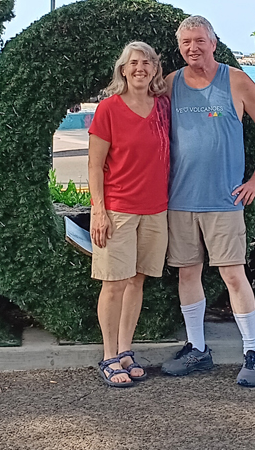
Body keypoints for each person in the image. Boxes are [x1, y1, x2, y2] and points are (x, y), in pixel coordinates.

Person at [161, 15, 255, 387]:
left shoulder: (236, 81)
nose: (193, 47)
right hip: (180, 201)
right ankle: (197, 348)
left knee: (232, 275)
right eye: (186, 42)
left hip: (223, 201)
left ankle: (253, 352)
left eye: (199, 40)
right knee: (187, 273)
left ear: (213, 43)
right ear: (179, 47)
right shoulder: (171, 84)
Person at [87, 41, 171, 388]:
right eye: (134, 63)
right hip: (118, 210)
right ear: (123, 70)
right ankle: (108, 356)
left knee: (137, 281)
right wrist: (99, 211)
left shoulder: (163, 107)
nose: (140, 68)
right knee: (114, 283)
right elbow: (94, 165)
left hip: (155, 210)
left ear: (155, 70)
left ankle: (125, 351)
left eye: (147, 62)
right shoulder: (108, 109)